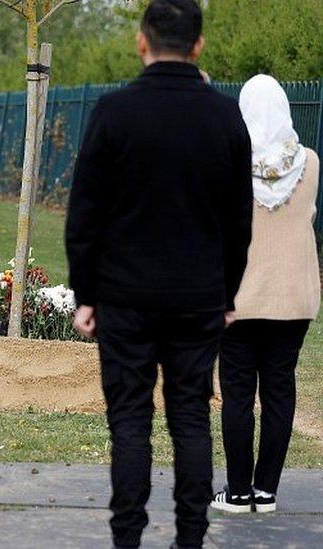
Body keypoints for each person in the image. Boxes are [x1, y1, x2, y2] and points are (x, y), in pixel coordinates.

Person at [64, 1, 253, 547]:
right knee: (191, 418)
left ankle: (128, 538)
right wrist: (227, 291)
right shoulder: (224, 117)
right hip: (198, 297)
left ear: (141, 42)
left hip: (125, 296)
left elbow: (85, 214)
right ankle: (190, 538)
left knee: (129, 421)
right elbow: (238, 219)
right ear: (198, 46)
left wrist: (87, 292)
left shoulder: (114, 113)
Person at [211, 74, 320, 515]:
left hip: (238, 296)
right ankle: (266, 490)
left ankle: (237, 492)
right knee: (280, 387)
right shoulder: (311, 163)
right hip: (294, 296)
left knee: (237, 391)